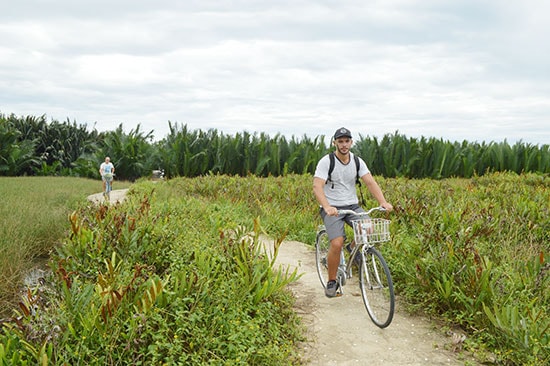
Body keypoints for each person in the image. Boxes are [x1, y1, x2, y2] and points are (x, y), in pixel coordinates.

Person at [313, 127, 393, 298]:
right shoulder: (327, 161)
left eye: (346, 141)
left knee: (368, 228)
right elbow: (317, 186)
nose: (343, 144)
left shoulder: (357, 161)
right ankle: (332, 281)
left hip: (352, 206)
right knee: (336, 243)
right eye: (340, 141)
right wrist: (327, 206)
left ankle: (352, 249)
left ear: (351, 142)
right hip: (332, 208)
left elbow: (370, 182)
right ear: (335, 143)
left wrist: (383, 202)